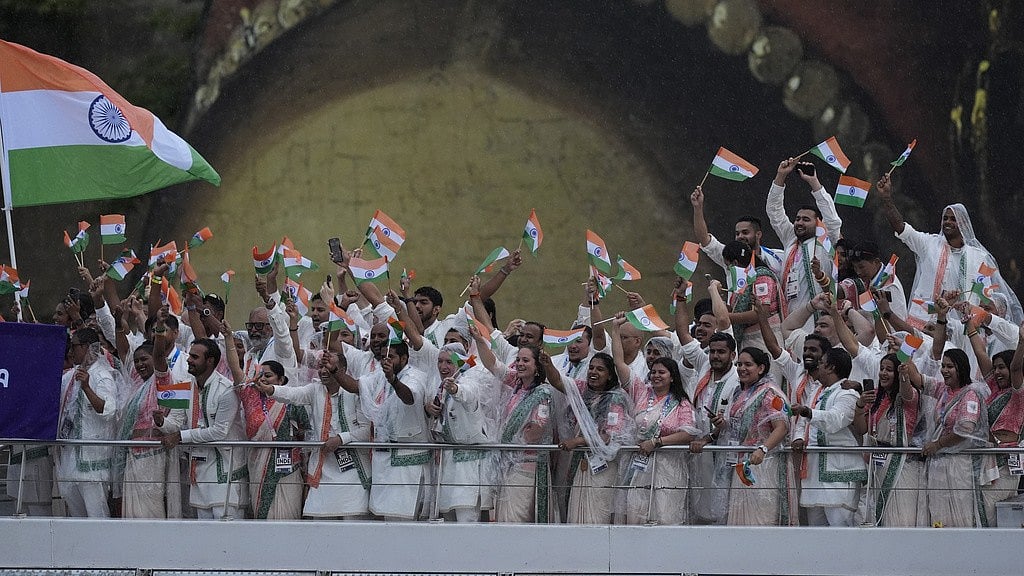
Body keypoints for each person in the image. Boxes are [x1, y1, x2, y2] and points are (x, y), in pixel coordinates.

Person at [876, 173, 1023, 328]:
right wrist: (886, 198)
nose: (947, 222)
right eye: (945, 218)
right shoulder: (929, 244)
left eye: (953, 219)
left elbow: (985, 295)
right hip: (924, 323)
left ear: (963, 224)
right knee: (910, 351)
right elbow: (900, 227)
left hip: (961, 328)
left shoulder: (979, 257)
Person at [258, 349, 373, 519]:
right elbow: (292, 394)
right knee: (319, 525)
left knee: (352, 525)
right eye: (321, 366)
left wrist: (341, 439)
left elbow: (366, 431)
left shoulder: (356, 392)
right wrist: (271, 389)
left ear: (342, 370)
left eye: (329, 366)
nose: (324, 371)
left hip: (353, 472)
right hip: (323, 470)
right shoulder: (315, 389)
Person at [606, 315, 698, 525]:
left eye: (662, 373)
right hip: (638, 466)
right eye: (654, 372)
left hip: (669, 468)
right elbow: (619, 362)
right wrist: (615, 328)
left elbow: (689, 433)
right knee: (635, 514)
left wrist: (657, 442)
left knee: (664, 517)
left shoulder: (681, 402)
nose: (656, 376)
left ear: (672, 376)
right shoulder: (640, 391)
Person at [903, 314, 991, 527]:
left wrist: (938, 444)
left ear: (961, 368)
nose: (944, 370)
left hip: (957, 467)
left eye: (949, 366)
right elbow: (917, 379)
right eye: (943, 366)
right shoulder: (944, 389)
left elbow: (965, 430)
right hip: (937, 465)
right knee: (936, 518)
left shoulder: (970, 394)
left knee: (957, 520)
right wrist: (904, 352)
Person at [156, 337, 247, 519]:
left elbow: (219, 431)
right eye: (190, 355)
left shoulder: (226, 390)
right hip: (199, 470)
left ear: (210, 361)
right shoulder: (186, 385)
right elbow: (176, 420)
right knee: (203, 532)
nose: (189, 360)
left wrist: (180, 437)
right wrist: (162, 423)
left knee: (227, 532)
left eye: (195, 357)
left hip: (225, 471)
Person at [225, 327, 309, 520]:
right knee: (262, 516)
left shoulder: (290, 401)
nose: (262, 378)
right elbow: (235, 369)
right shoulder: (250, 395)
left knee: (288, 516)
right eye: (260, 374)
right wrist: (228, 337)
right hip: (257, 463)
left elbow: (305, 430)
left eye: (268, 375)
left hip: (288, 467)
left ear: (281, 379)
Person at [477, 332, 559, 523]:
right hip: (508, 461)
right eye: (518, 360)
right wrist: (479, 340)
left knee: (516, 518)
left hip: (525, 465)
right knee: (503, 516)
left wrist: (512, 444)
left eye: (526, 360)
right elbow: (493, 365)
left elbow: (535, 432)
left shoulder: (543, 393)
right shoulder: (516, 384)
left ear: (537, 366)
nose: (520, 364)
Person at [676, 282, 739, 525]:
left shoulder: (739, 375)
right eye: (712, 352)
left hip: (726, 449)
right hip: (700, 448)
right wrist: (680, 299)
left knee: (724, 508)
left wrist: (712, 288)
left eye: (720, 353)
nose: (715, 357)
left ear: (732, 355)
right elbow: (683, 335)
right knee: (700, 507)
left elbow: (723, 321)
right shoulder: (704, 363)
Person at [713, 347, 794, 526]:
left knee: (759, 520)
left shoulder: (770, 393)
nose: (742, 368)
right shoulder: (738, 392)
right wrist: (722, 424)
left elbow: (781, 427)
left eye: (748, 364)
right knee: (738, 521)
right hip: (740, 463)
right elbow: (739, 426)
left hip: (762, 465)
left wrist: (763, 448)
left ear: (761, 368)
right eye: (739, 364)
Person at [790, 347, 866, 526]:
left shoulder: (848, 394)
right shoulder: (821, 392)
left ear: (831, 368)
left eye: (822, 363)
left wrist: (807, 412)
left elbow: (835, 420)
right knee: (817, 534)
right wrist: (799, 436)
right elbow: (806, 424)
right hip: (815, 475)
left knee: (841, 528)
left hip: (838, 474)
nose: (818, 366)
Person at [558, 352, 635, 524]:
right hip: (581, 461)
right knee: (576, 515)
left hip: (603, 465)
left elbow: (610, 435)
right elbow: (557, 381)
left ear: (609, 376)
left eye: (600, 369)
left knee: (598, 515)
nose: (593, 372)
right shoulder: (583, 393)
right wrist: (547, 364)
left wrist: (577, 441)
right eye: (591, 368)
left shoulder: (616, 398)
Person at [427, 338, 497, 522]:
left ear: (460, 363)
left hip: (469, 468)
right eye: (440, 361)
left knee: (467, 521)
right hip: (449, 465)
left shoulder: (470, 381)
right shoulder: (441, 387)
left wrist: (456, 389)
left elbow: (468, 394)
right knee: (448, 521)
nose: (443, 366)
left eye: (449, 362)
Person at [114, 330, 183, 518]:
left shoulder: (165, 381)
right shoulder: (137, 386)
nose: (139, 364)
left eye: (144, 359)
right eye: (136, 361)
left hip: (154, 456)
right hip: (133, 456)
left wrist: (160, 332)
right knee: (133, 516)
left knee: (151, 513)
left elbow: (160, 357)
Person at [766, 158, 842, 323]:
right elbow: (774, 211)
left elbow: (832, 219)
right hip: (790, 320)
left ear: (818, 223)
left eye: (806, 220)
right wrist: (780, 176)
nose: (799, 222)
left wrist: (814, 183)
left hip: (820, 321)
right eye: (798, 219)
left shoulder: (826, 241)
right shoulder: (791, 239)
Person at [56, 327, 119, 517]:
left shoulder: (102, 376)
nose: (70, 352)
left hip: (92, 463)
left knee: (96, 516)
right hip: (70, 460)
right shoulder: (70, 376)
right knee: (77, 519)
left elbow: (108, 411)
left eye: (73, 346)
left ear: (85, 347)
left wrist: (86, 387)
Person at [864, 352, 924, 526]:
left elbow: (906, 393)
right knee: (881, 518)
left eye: (889, 370)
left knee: (899, 519)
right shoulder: (877, 396)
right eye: (881, 369)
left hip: (902, 465)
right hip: (879, 463)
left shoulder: (909, 397)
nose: (883, 373)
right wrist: (860, 405)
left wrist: (905, 375)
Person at [691, 185, 785, 276]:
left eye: (745, 232)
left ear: (758, 234)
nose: (740, 236)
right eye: (737, 233)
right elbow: (704, 240)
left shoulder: (779, 257)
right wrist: (698, 208)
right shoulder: (728, 255)